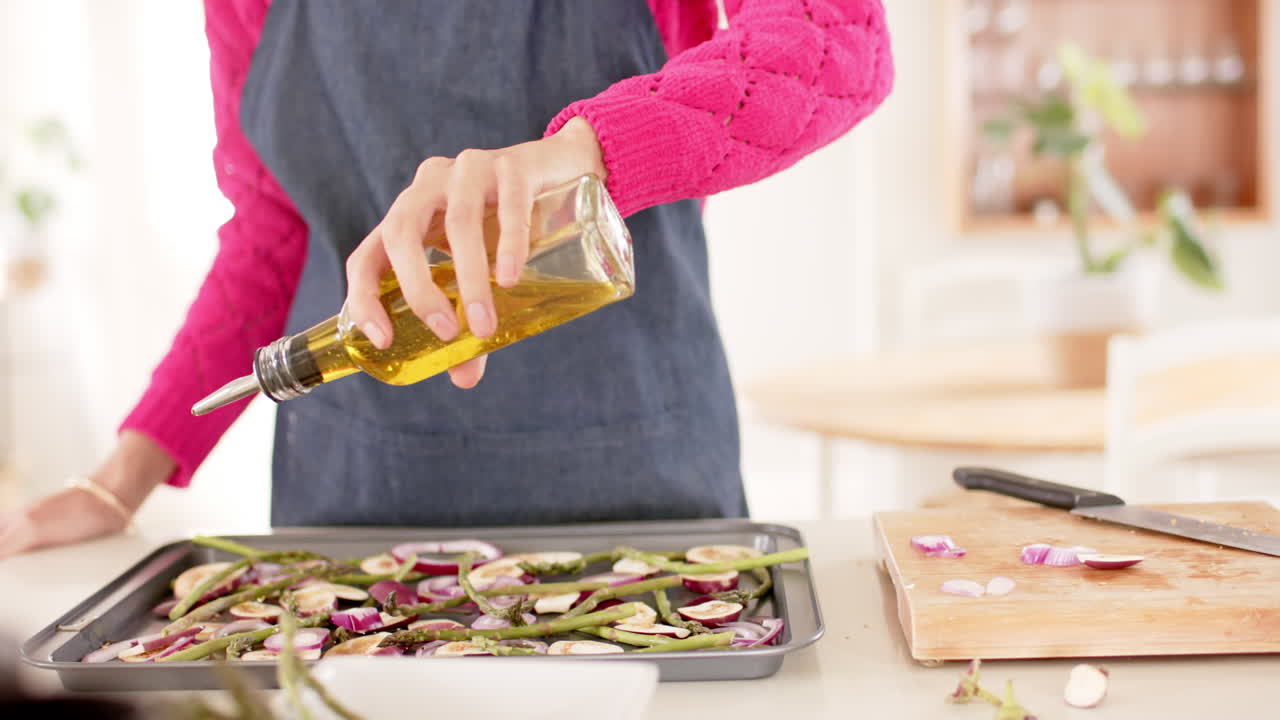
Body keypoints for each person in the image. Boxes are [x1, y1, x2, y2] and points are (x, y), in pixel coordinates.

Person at [0, 0, 892, 556]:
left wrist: (583, 154)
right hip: (351, 507)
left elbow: (838, 37)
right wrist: (116, 481)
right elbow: (272, 231)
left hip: (642, 482)